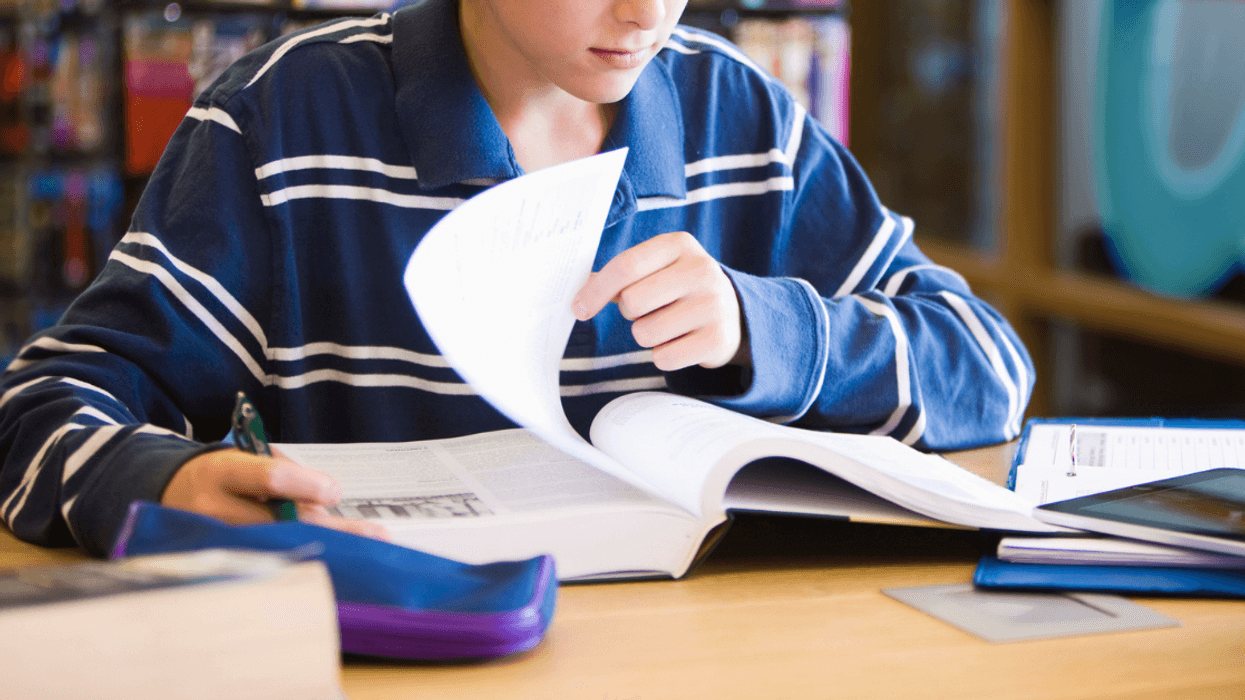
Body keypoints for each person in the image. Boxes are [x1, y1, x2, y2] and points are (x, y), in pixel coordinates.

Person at [0, 0, 1033, 556]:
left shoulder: (746, 121)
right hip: (403, 653)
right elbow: (39, 406)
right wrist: (166, 481)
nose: (644, 13)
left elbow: (988, 366)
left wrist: (766, 331)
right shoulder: (280, 120)